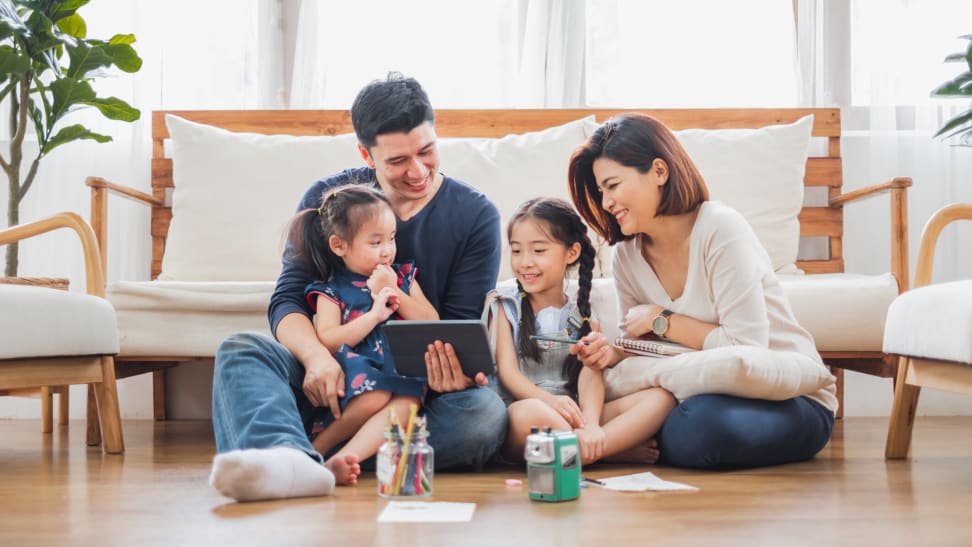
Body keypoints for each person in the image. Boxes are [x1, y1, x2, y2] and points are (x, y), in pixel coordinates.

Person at [208, 73, 507, 502]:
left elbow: (457, 327)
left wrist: (448, 374)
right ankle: (293, 459)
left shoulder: (475, 215)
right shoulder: (330, 199)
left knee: (484, 415)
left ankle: (299, 457)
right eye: (398, 160)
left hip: (410, 392)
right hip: (330, 379)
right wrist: (315, 358)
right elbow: (289, 299)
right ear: (366, 153)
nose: (418, 170)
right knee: (241, 351)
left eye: (427, 151)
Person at [565, 113, 836, 469]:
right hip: (696, 393)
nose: (605, 203)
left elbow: (746, 349)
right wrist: (615, 353)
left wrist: (662, 320)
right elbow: (646, 351)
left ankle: (624, 439)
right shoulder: (625, 257)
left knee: (698, 429)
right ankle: (624, 439)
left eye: (613, 186)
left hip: (788, 398)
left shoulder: (721, 229)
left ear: (659, 171)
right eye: (601, 191)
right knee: (684, 420)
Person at [488, 197, 675, 465]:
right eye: (517, 251)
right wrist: (549, 402)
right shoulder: (504, 304)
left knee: (660, 398)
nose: (525, 262)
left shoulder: (582, 311)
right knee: (528, 414)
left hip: (571, 412)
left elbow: (591, 373)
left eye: (538, 251)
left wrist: (590, 423)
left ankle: (585, 445)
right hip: (528, 411)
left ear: (571, 253)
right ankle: (610, 451)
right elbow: (508, 373)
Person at [286, 184, 438, 485]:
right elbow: (328, 340)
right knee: (375, 395)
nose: (387, 250)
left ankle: (344, 459)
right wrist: (374, 317)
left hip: (403, 370)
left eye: (391, 238)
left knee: (406, 407)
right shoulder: (332, 289)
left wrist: (392, 289)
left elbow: (430, 321)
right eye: (375, 242)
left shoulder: (403, 276)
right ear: (339, 245)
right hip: (360, 369)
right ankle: (317, 448)